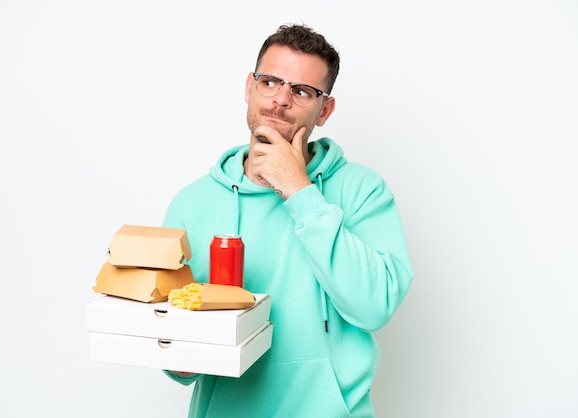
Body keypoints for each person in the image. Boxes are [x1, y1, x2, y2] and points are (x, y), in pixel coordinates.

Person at [161, 23, 413, 418]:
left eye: (301, 91)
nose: (280, 100)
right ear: (249, 87)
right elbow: (177, 360)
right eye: (270, 82)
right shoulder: (193, 203)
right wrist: (180, 352)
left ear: (324, 109)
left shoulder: (363, 190)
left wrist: (299, 191)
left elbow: (374, 307)